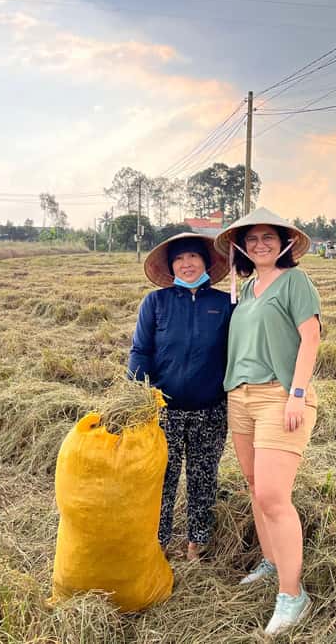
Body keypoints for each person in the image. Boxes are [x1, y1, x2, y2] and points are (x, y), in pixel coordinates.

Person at [214, 208, 320, 636]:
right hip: (240, 397)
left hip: (279, 395)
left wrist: (297, 393)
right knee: (256, 486)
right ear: (242, 247)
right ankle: (272, 561)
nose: (260, 244)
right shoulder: (247, 289)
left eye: (268, 238)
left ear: (284, 243)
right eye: (252, 239)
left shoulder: (295, 282)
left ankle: (293, 596)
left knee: (275, 496)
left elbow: (311, 337)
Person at [128, 232, 232, 562]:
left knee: (204, 476)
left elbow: (237, 354)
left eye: (193, 257)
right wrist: (135, 395)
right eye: (179, 259)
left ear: (205, 262)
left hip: (210, 411)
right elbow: (140, 351)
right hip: (164, 412)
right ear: (171, 266)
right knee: (160, 478)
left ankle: (196, 544)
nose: (186, 264)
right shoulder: (155, 303)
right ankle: (156, 543)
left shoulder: (225, 304)